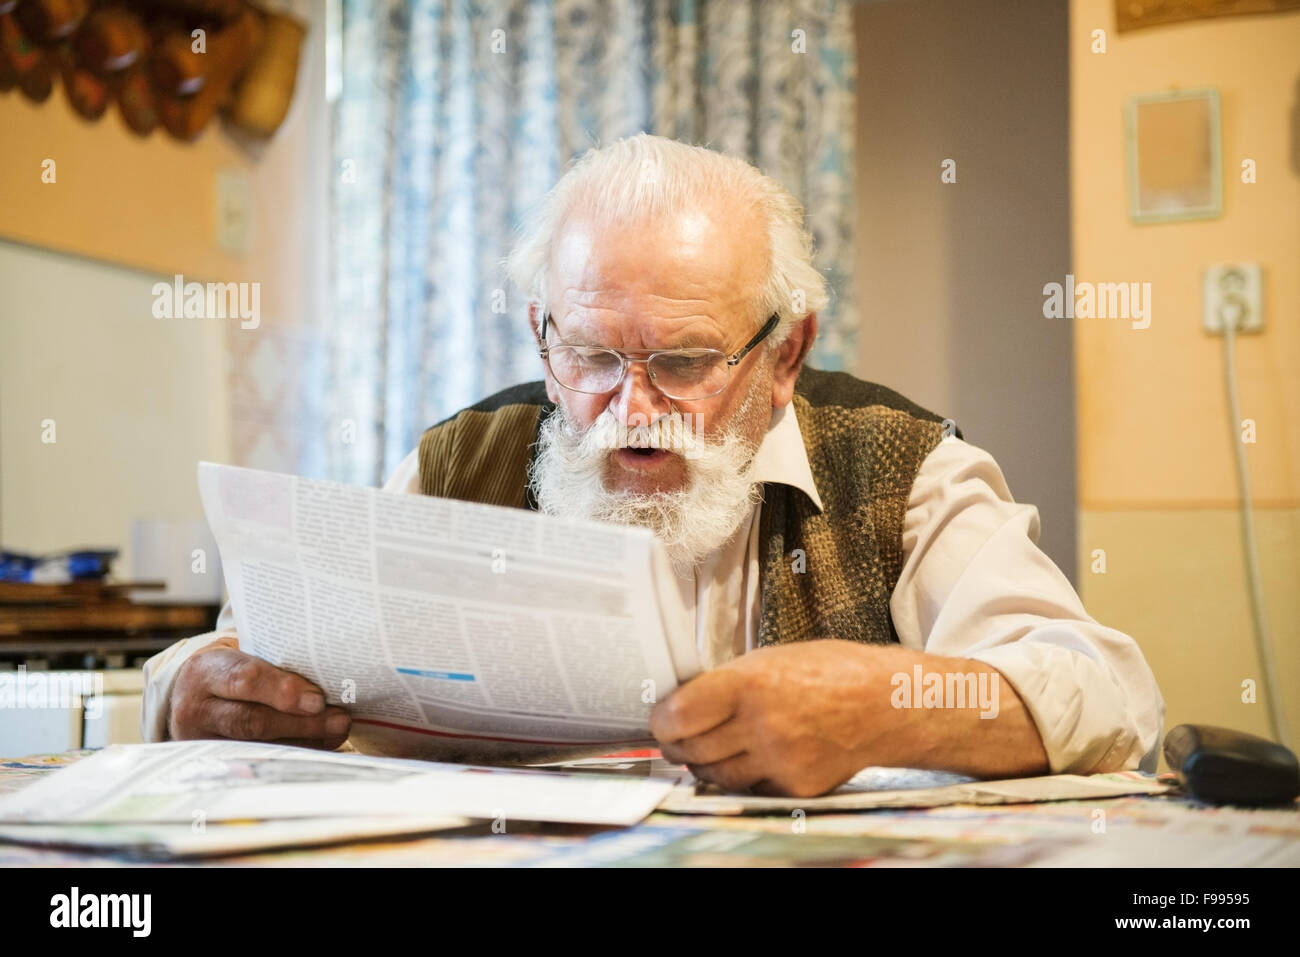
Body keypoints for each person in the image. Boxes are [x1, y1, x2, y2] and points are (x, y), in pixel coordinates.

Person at [142, 133, 1164, 797]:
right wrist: (198, 689)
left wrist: (887, 704)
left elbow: (1108, 692)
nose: (633, 412)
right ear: (543, 337)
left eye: (681, 362)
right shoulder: (460, 460)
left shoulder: (900, 468)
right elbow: (243, 659)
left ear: (783, 354)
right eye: (590, 356)